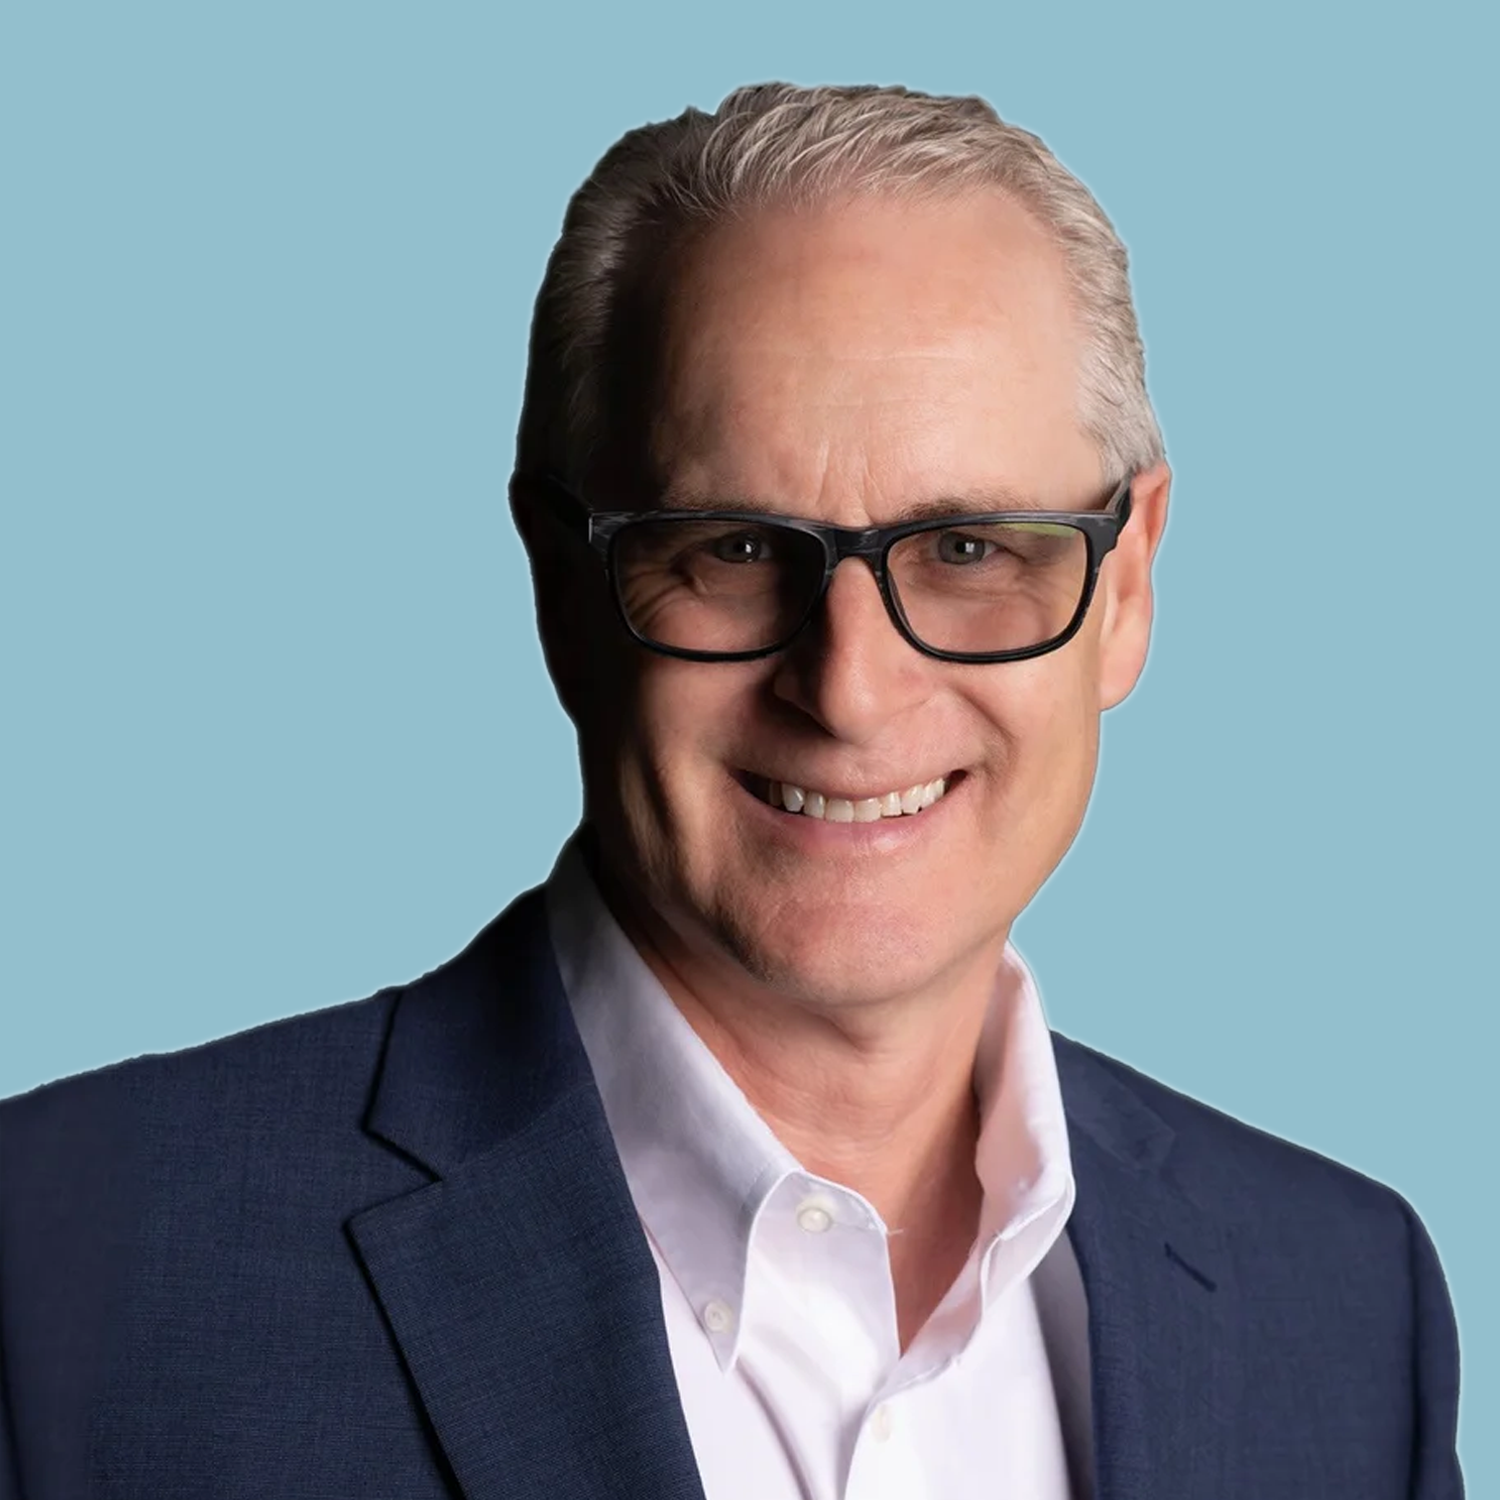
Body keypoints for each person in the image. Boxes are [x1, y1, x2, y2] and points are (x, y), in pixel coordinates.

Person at [0, 82, 1463, 1500]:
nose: (851, 691)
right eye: (736, 551)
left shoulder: (1345, 1310)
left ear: (1127, 587)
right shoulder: (69, 1275)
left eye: (968, 550)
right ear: (562, 587)